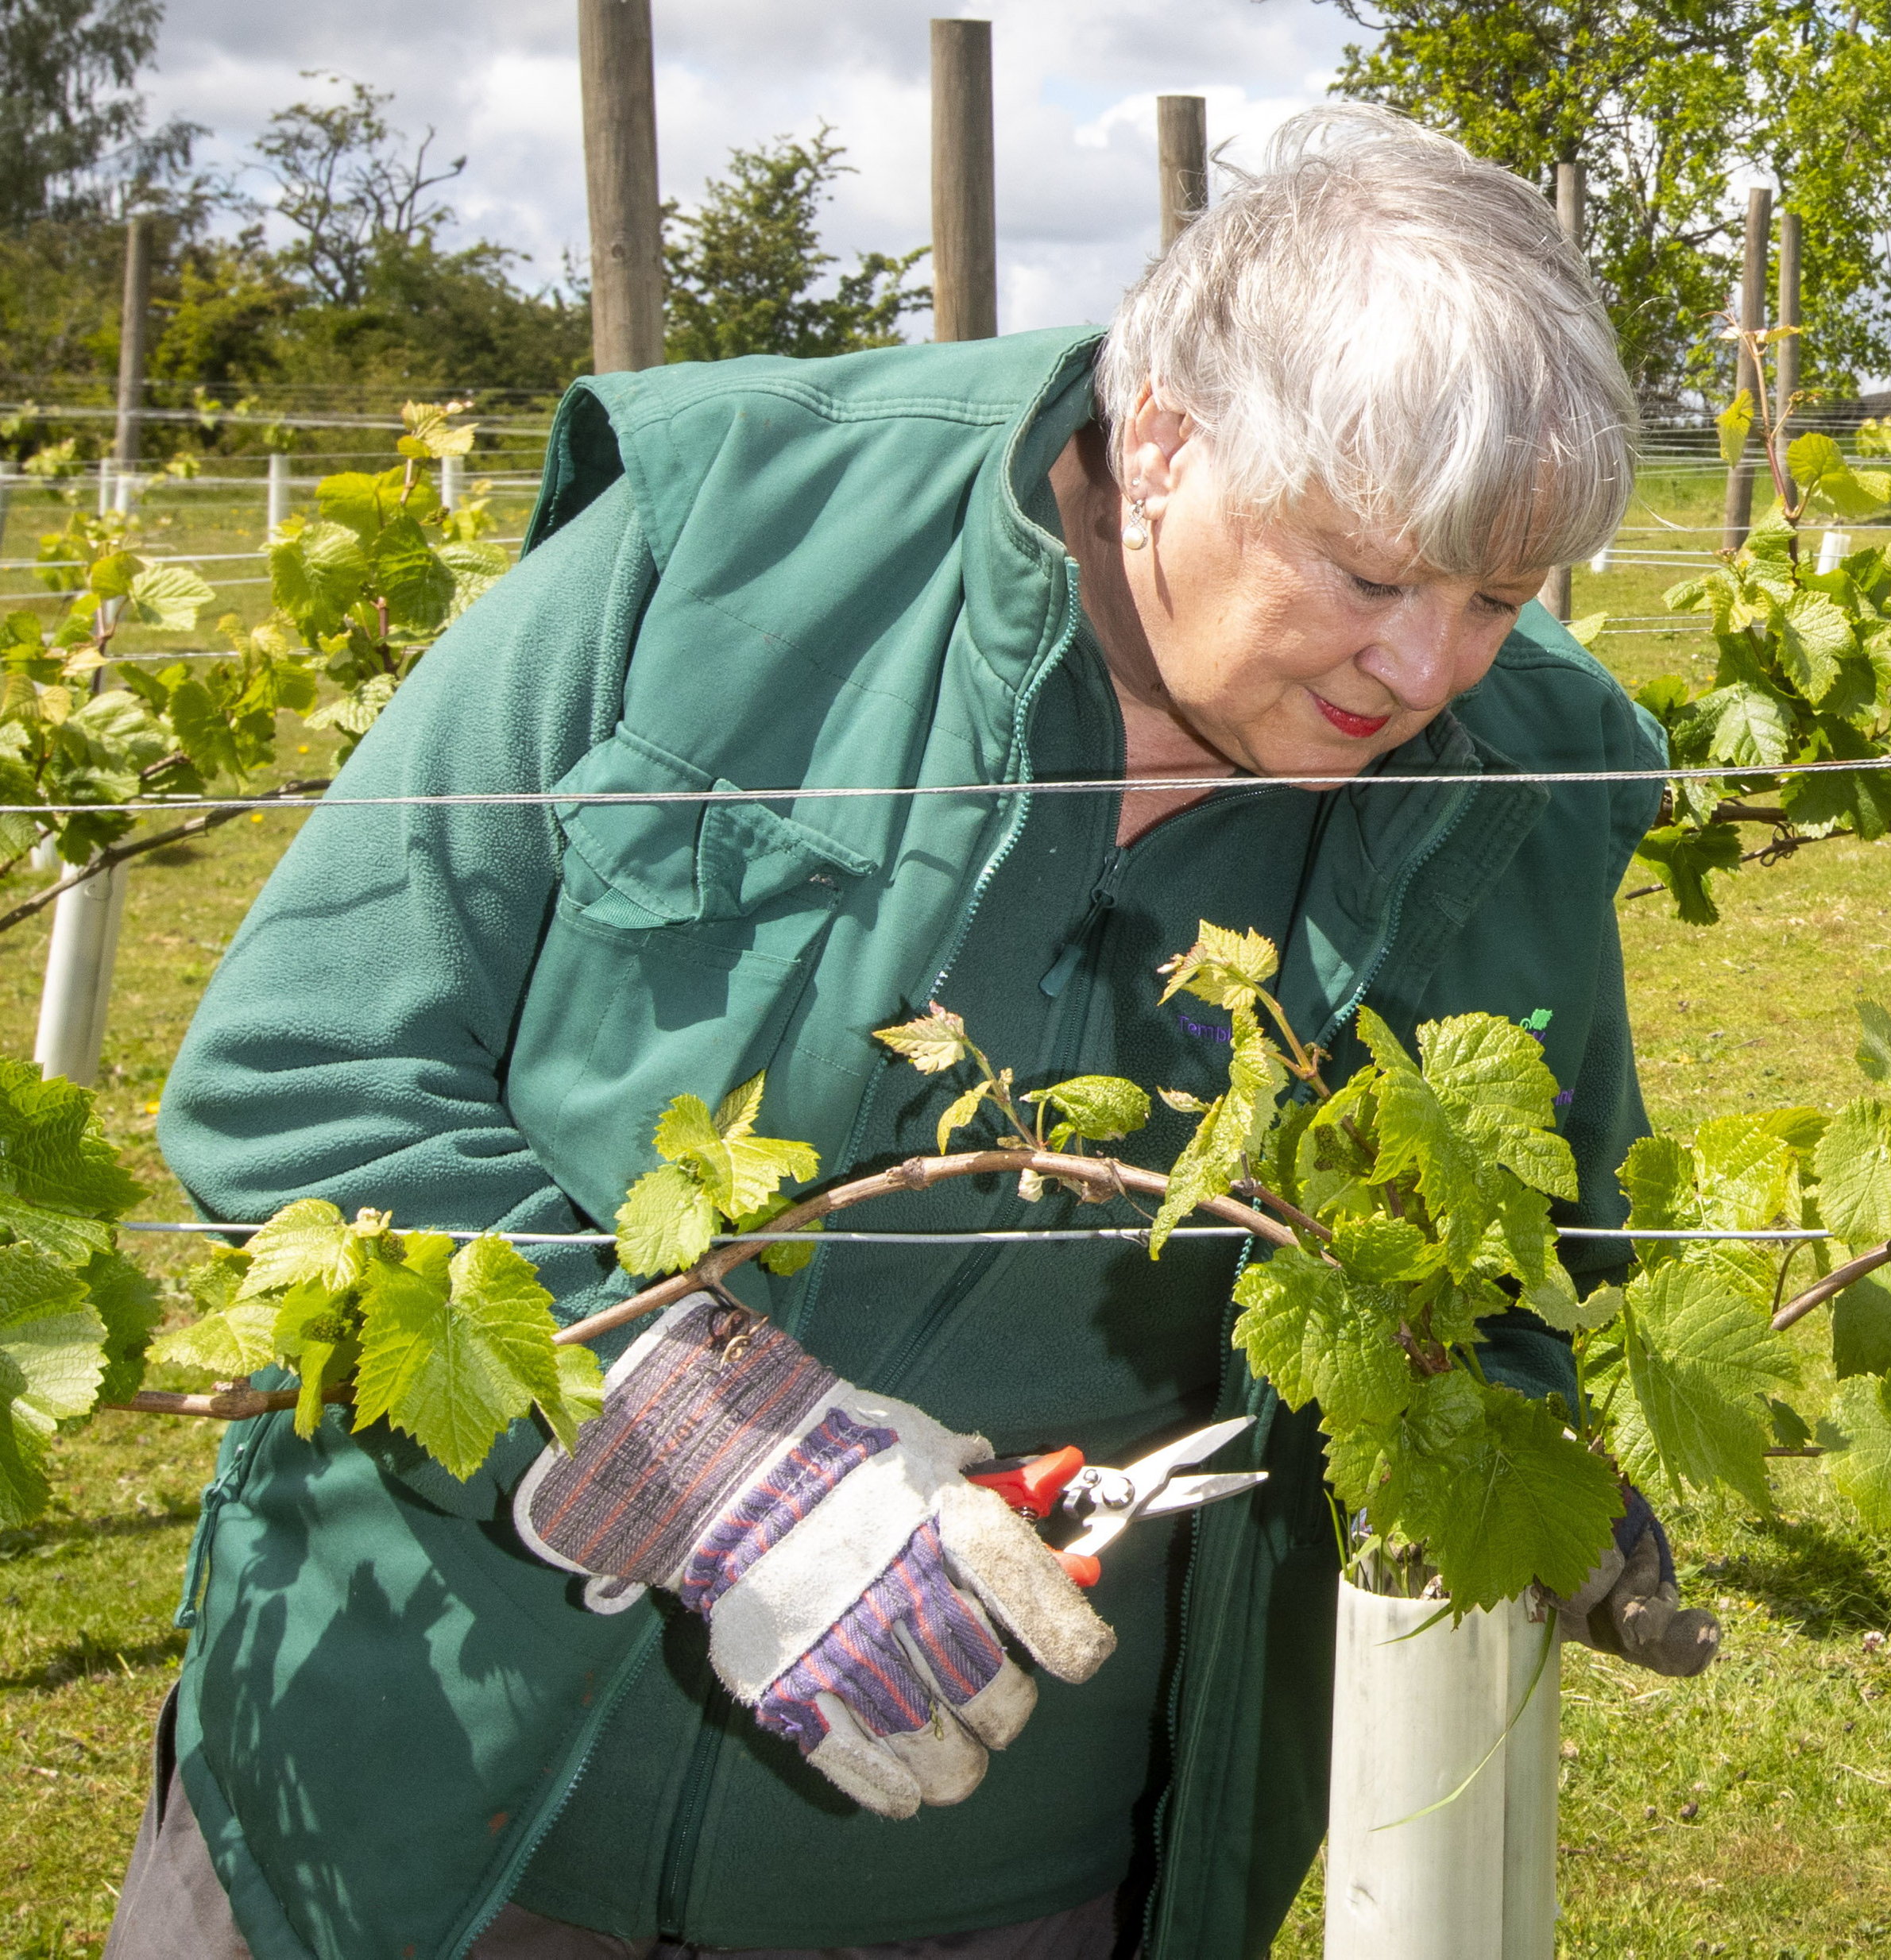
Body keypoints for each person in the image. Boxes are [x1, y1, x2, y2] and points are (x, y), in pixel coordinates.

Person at [112, 106, 1710, 1960]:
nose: (1421, 670)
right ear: (1163, 438)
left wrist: (1515, 1444)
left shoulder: (1526, 774)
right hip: (381, 1822)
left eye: (1492, 600)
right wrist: (693, 1452)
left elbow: (1514, 1266)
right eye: (1366, 575)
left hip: (990, 1889)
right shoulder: (736, 529)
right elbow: (307, 1070)